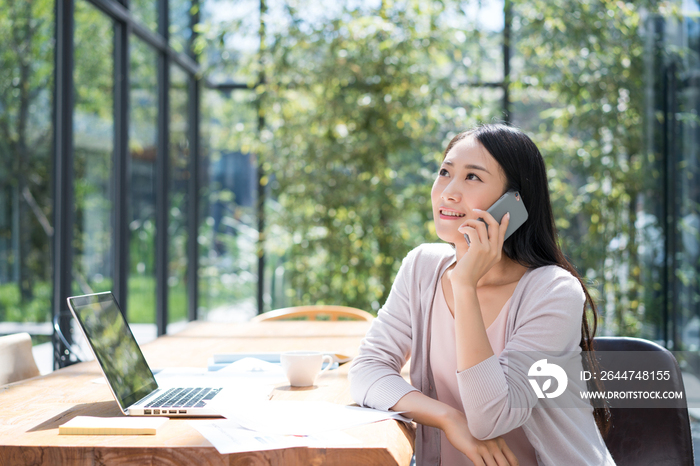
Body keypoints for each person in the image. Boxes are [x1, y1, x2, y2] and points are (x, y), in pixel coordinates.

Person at [348, 124, 615, 466]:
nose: (448, 192)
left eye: (472, 177)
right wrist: (448, 418)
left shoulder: (554, 291)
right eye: (445, 172)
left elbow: (491, 418)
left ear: (513, 204)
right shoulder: (421, 267)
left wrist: (465, 285)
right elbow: (367, 370)